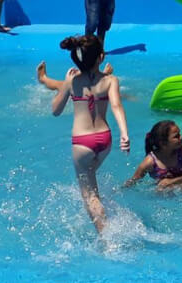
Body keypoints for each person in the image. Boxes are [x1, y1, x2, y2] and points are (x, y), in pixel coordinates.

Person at [49, 35, 130, 233]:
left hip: (82, 142)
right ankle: (102, 213)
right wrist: (124, 134)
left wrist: (67, 84)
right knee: (91, 177)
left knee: (88, 194)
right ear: (101, 57)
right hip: (105, 140)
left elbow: (55, 110)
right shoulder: (111, 80)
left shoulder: (73, 82)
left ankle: (106, 237)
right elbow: (117, 106)